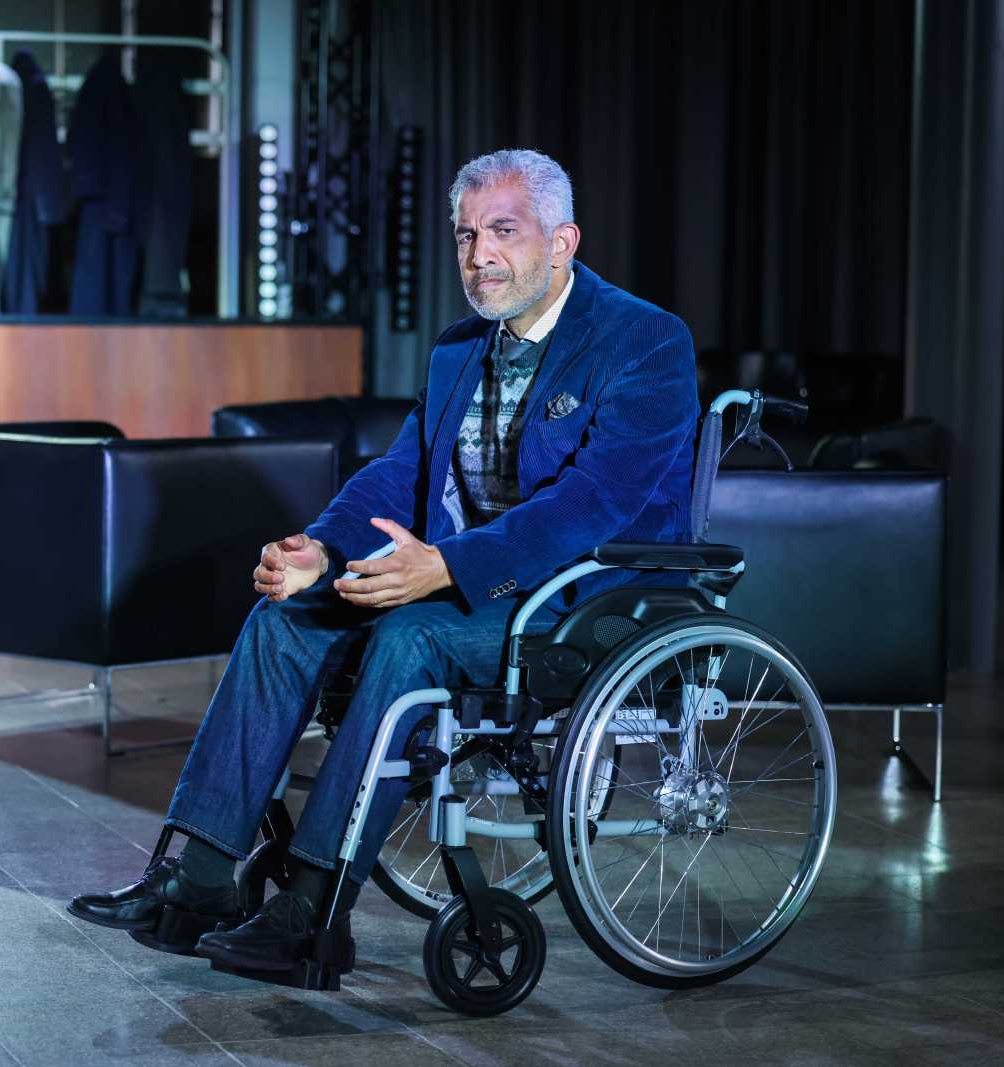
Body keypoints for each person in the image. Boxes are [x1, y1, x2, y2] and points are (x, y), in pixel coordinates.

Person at [69, 149, 700, 972]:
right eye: (466, 235)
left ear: (562, 242)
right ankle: (200, 879)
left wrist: (447, 567)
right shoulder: (458, 349)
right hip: (463, 582)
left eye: (503, 231)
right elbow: (402, 473)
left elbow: (592, 504)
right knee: (284, 619)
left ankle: (312, 906)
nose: (480, 255)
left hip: (586, 599)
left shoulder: (645, 340)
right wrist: (323, 548)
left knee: (410, 636)